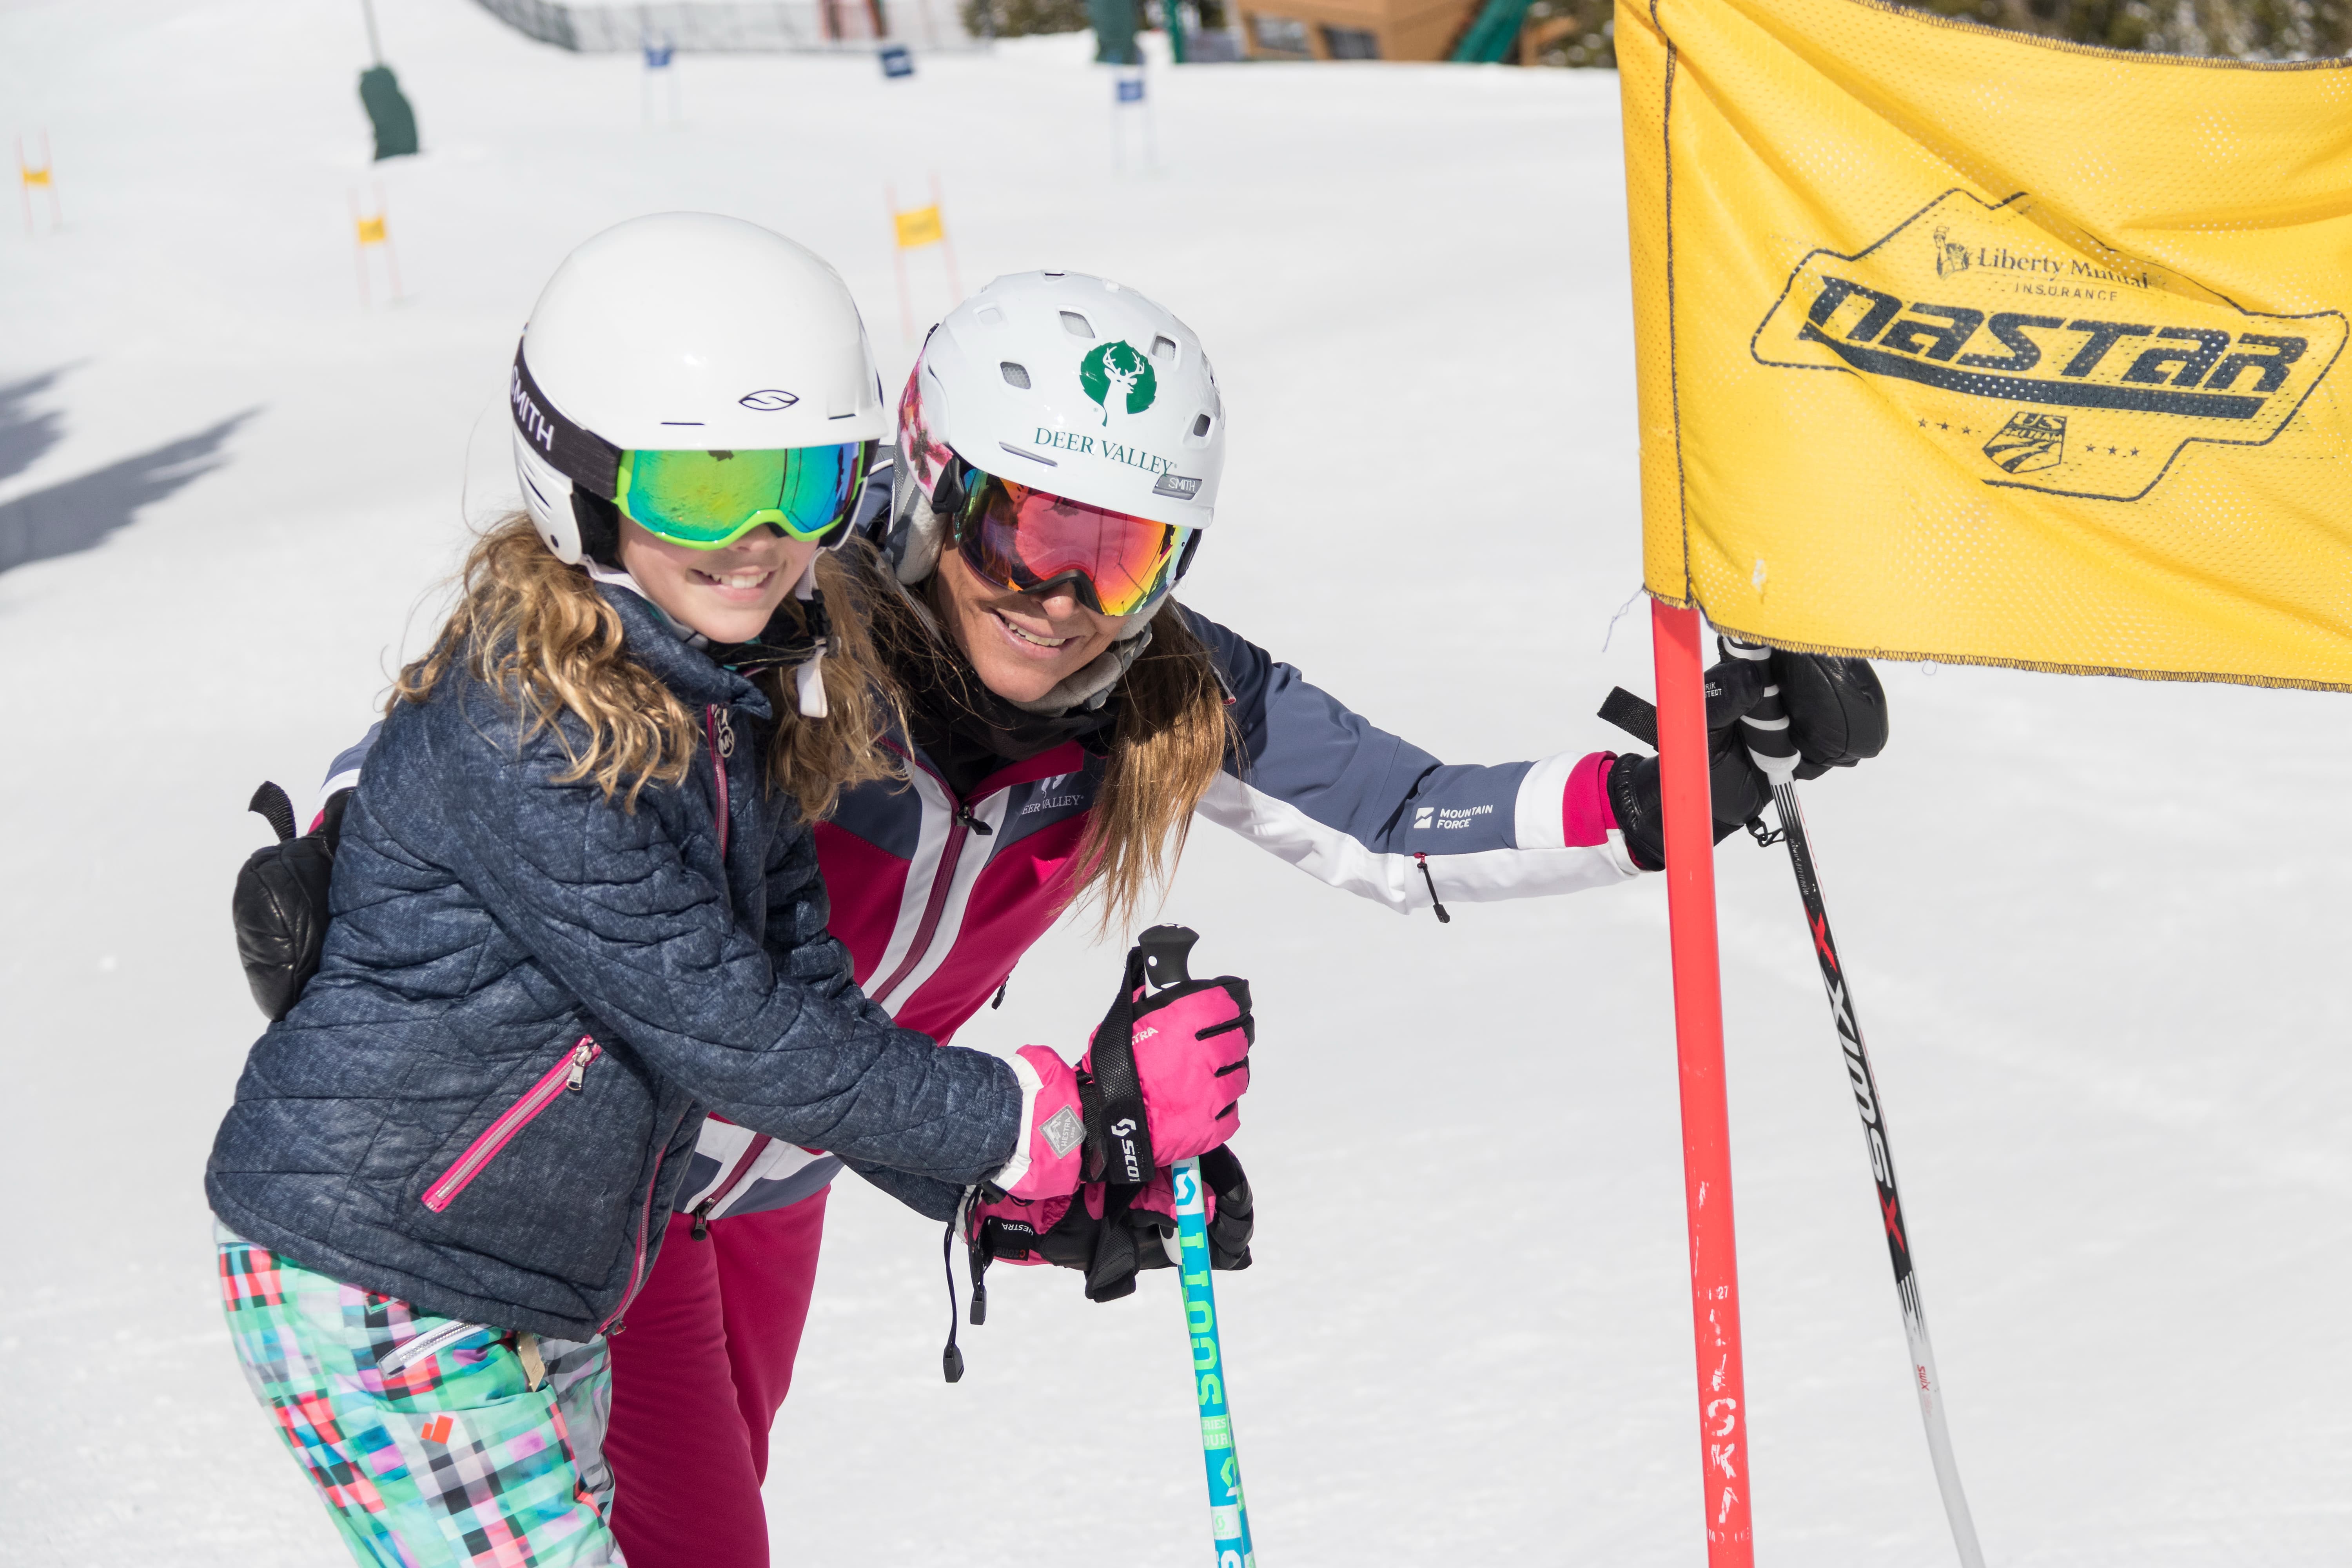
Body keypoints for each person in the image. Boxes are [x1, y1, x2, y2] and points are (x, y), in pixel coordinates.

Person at [287, 270, 1886, 1566]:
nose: (1053, 599)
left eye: (1114, 557)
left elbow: (1405, 822)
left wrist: (1664, 794)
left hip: (778, 1194)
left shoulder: (1165, 692)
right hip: (589, 1176)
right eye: (1019, 528)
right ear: (928, 480)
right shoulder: (782, 621)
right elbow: (534, 689)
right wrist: (340, 838)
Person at [205, 217, 1255, 1568]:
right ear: (581, 477)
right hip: (391, 1277)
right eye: (706, 491)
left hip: (545, 1281)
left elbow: (811, 1006)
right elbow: (734, 1035)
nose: (760, 540)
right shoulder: (532, 724)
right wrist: (1039, 1113)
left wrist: (1035, 1185)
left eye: (804, 482)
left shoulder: (734, 703)